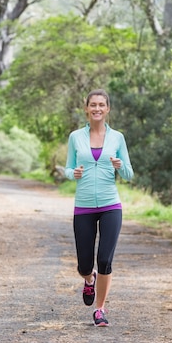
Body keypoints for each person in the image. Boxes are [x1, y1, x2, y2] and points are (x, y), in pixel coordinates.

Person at [64, 89, 134, 327]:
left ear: (108, 109)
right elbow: (67, 168)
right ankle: (89, 279)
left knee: (105, 259)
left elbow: (129, 174)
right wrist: (72, 173)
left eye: (101, 105)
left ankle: (100, 310)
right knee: (85, 264)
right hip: (83, 206)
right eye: (93, 104)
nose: (97, 108)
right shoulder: (76, 137)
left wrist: (120, 165)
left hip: (110, 205)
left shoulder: (117, 138)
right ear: (86, 109)